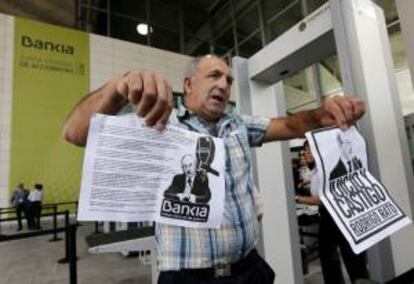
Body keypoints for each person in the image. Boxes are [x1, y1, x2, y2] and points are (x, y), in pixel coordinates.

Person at [63, 54, 365, 284]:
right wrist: (118, 87)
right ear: (189, 85)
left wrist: (321, 114)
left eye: (229, 80)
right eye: (214, 76)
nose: (223, 84)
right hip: (189, 277)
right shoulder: (159, 126)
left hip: (249, 270)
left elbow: (287, 125)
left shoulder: (239, 125)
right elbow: (75, 133)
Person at [296, 141, 370, 284]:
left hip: (342, 217)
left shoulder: (327, 170)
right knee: (328, 258)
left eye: (310, 150)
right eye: (305, 150)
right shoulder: (315, 170)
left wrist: (297, 198)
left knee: (352, 258)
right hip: (326, 218)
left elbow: (323, 199)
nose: (306, 153)